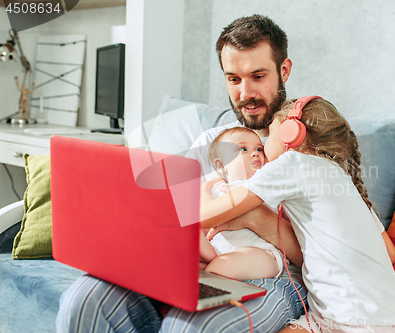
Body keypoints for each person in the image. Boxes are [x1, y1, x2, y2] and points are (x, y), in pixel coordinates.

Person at [56, 15, 307, 333]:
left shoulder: (308, 145)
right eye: (233, 79)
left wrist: (254, 218)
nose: (245, 93)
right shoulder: (213, 142)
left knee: (191, 326)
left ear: (283, 70)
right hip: (193, 268)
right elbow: (173, 217)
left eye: (257, 76)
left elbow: (329, 251)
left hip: (277, 277)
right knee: (84, 300)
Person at [199, 97, 395, 333]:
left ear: (290, 132)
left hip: (354, 319)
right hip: (367, 317)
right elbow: (390, 254)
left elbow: (203, 216)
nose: (263, 148)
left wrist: (206, 188)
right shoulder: (342, 181)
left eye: (269, 134)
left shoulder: (292, 163)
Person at [199, 127, 288, 280]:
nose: (255, 153)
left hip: (261, 252)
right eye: (243, 149)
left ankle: (210, 272)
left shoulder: (266, 182)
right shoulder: (216, 187)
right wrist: (206, 188)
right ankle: (207, 262)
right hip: (217, 251)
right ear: (221, 166)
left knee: (222, 267)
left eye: (259, 149)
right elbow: (202, 218)